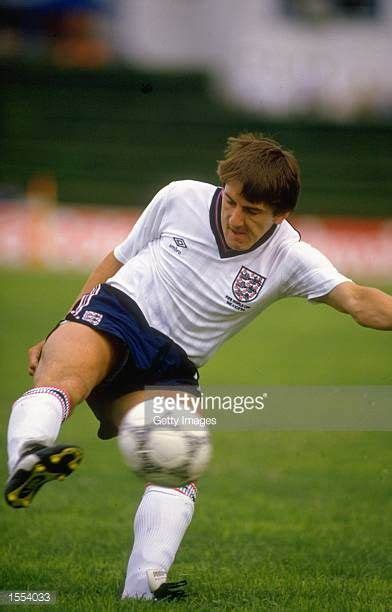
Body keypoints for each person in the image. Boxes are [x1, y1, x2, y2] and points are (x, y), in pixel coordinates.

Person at [5, 133, 392, 601]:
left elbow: (358, 300)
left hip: (171, 365)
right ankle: (29, 457)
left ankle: (143, 589)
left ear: (280, 214)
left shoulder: (291, 257)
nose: (235, 218)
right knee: (64, 379)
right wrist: (62, 325)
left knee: (177, 463)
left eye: (252, 211)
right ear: (221, 186)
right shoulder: (178, 197)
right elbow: (117, 259)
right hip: (119, 312)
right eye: (231, 201)